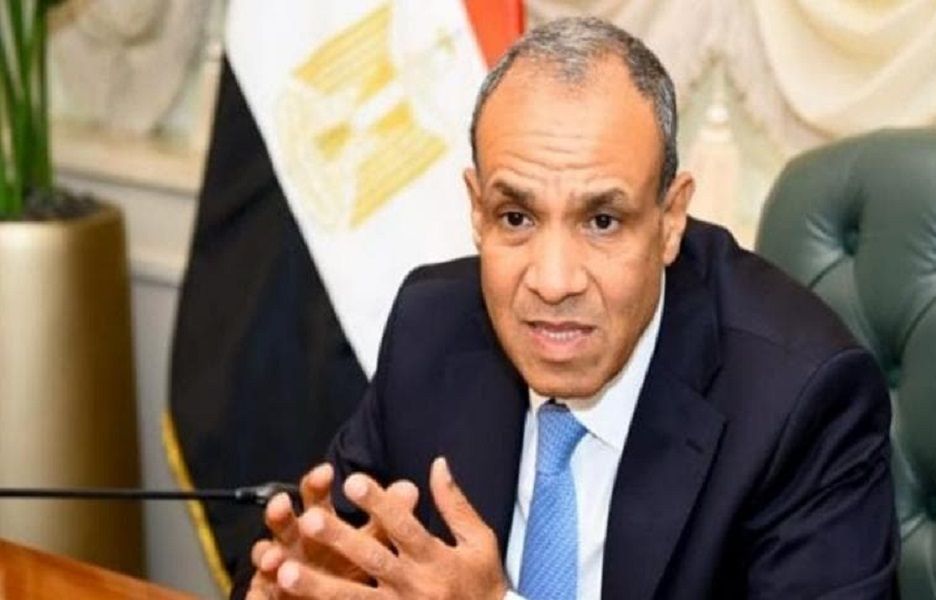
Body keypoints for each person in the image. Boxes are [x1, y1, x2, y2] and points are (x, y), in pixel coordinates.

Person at [239, 17, 898, 599]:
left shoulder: (799, 399)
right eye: (516, 217)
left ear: (670, 219)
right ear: (476, 210)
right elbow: (337, 559)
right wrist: (295, 585)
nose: (553, 282)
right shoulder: (430, 327)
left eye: (603, 221)